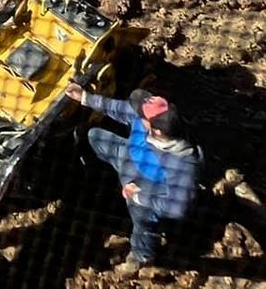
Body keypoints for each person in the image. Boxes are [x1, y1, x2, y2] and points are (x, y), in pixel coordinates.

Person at [66, 82, 202, 273]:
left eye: (142, 113)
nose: (136, 111)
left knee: (143, 219)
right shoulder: (145, 118)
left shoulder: (182, 162)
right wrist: (84, 98)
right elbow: (117, 108)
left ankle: (142, 255)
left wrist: (139, 196)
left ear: (157, 131)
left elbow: (178, 207)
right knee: (95, 136)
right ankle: (98, 181)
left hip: (146, 187)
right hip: (127, 158)